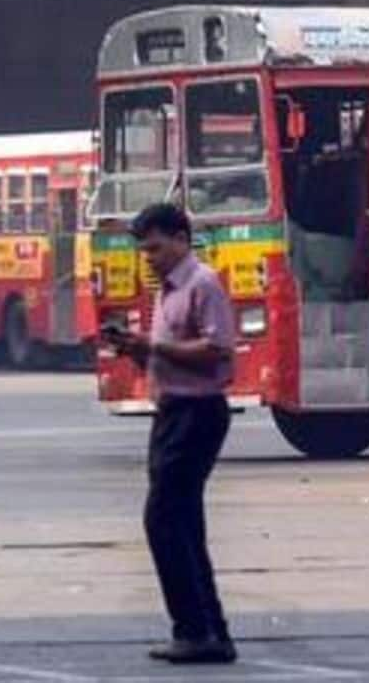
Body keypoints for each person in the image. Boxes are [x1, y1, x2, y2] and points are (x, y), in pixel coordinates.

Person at [102, 203, 237, 665]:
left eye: (157, 248)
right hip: (172, 411)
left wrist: (154, 345)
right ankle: (209, 630)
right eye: (145, 250)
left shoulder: (202, 283)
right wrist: (136, 350)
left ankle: (195, 629)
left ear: (182, 239)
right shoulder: (167, 291)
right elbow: (167, 355)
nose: (151, 258)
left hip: (198, 413)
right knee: (183, 523)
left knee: (162, 519)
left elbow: (217, 350)